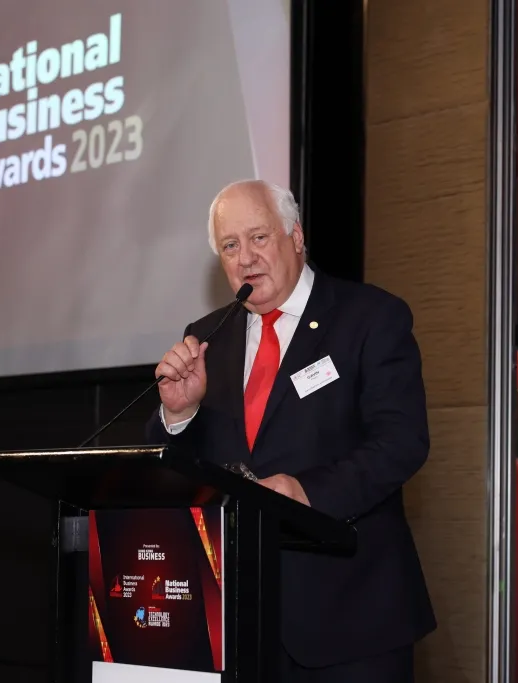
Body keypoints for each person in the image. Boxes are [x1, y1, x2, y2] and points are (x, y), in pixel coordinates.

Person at [147, 179, 435, 682]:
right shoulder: (208, 335)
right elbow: (172, 465)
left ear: (296, 237)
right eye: (230, 246)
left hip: (352, 619)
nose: (245, 258)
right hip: (239, 621)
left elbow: (401, 442)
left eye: (259, 237)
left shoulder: (369, 317)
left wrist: (307, 493)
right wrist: (179, 414)